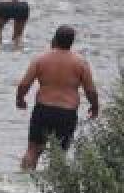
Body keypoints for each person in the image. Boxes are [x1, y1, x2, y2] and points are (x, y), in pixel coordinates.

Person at [16, 25, 98, 170]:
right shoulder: (81, 62)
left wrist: (20, 99)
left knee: (33, 150)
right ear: (72, 42)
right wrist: (94, 107)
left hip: (43, 110)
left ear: (55, 38)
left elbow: (24, 84)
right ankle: (55, 188)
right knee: (60, 154)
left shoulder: (40, 59)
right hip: (67, 113)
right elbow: (90, 90)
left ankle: (23, 184)